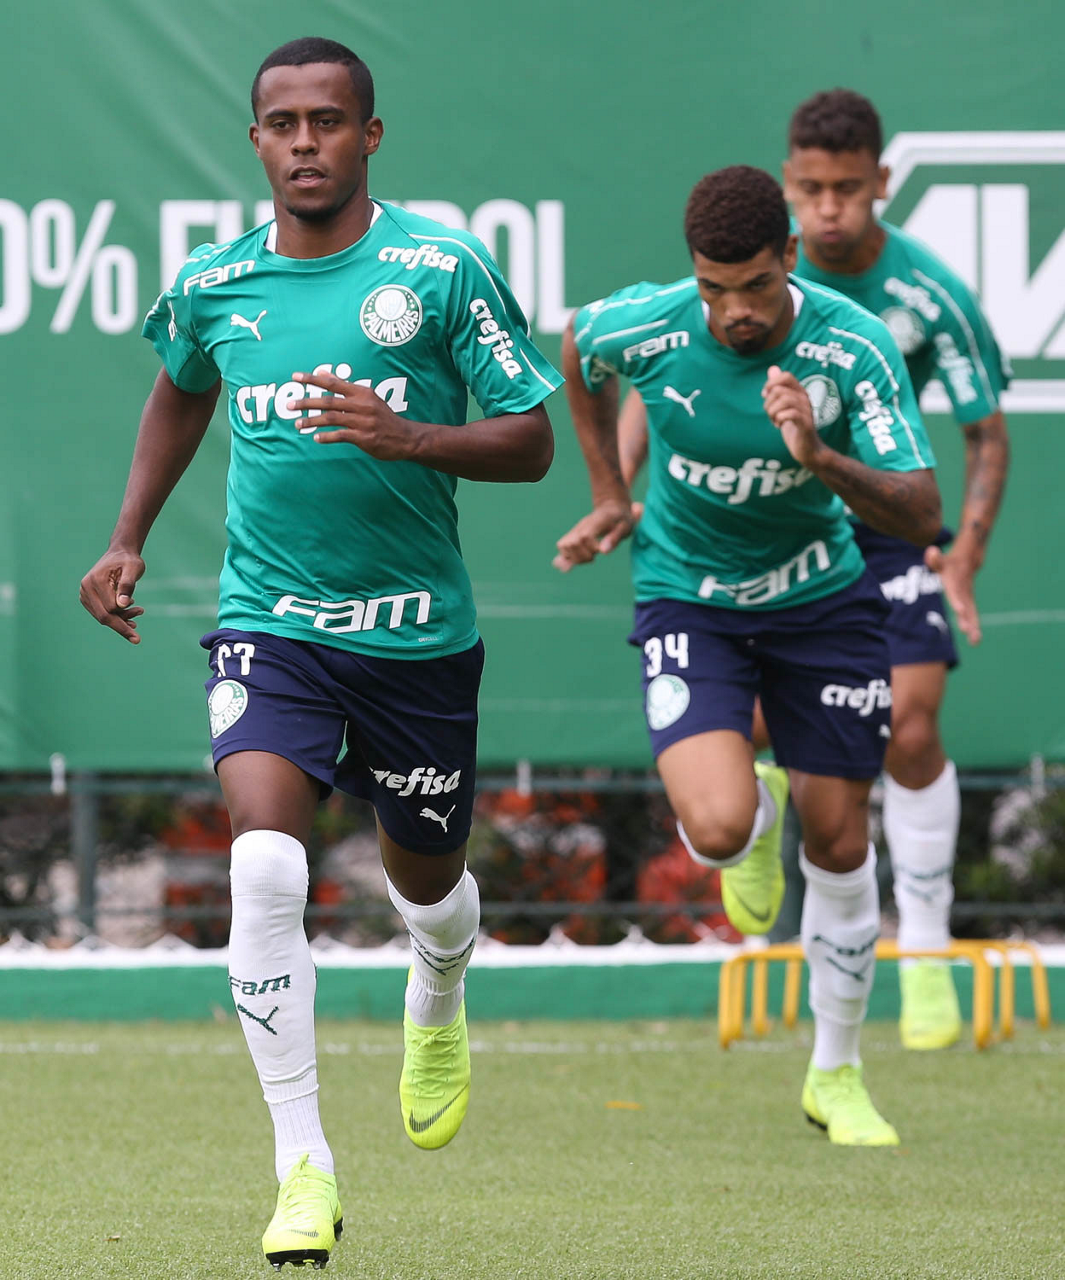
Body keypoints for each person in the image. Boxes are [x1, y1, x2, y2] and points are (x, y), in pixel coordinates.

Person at [80, 37, 559, 1271]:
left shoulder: (439, 268)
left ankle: (440, 979)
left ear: (369, 135)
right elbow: (179, 387)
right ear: (256, 141)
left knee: (427, 888)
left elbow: (531, 439)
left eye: (328, 121)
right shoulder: (213, 283)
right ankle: (304, 1164)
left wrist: (411, 438)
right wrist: (127, 536)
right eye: (283, 123)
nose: (305, 142)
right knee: (265, 865)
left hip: (416, 641)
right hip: (272, 625)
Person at [555, 165, 941, 1146]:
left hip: (822, 603)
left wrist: (820, 457)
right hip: (689, 597)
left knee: (841, 844)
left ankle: (836, 1071)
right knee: (721, 829)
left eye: (756, 286)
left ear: (790, 259)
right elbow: (579, 347)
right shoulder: (649, 325)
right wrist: (610, 491)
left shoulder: (853, 345)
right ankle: (755, 818)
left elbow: (919, 509)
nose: (734, 310)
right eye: (713, 287)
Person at [621, 89, 1011, 1052]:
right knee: (737, 742)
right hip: (759, 515)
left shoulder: (925, 296)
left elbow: (984, 432)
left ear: (881, 183)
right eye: (810, 188)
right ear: (788, 194)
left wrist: (963, 550)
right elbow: (649, 382)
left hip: (874, 512)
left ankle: (925, 951)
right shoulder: (733, 279)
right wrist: (616, 490)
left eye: (846, 189)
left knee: (910, 727)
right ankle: (752, 826)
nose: (829, 207)